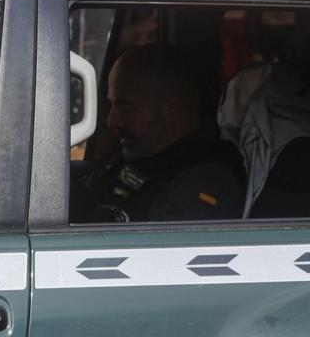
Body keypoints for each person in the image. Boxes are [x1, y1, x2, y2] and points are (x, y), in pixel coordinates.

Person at [79, 43, 246, 223]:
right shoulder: (127, 153)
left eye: (125, 108)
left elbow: (162, 249)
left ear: (170, 110)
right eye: (111, 105)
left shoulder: (204, 182)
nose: (112, 121)